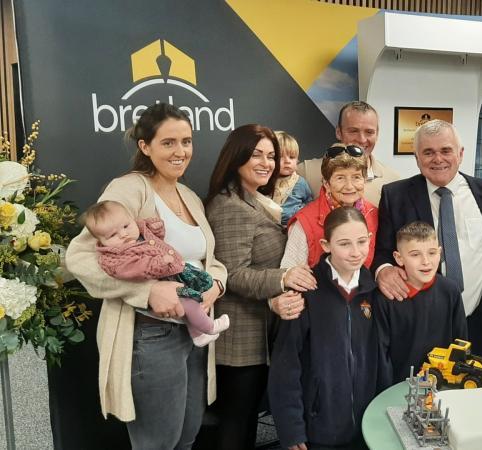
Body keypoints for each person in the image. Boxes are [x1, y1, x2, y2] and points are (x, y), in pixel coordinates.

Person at [64, 103, 227, 449]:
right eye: (168, 142)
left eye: (186, 141)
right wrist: (148, 292)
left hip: (194, 333)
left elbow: (207, 258)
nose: (180, 151)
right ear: (145, 146)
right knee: (157, 444)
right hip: (152, 335)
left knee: (186, 438)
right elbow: (79, 257)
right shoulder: (129, 189)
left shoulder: (189, 196)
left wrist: (216, 283)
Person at [205, 124, 318, 450]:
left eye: (271, 156)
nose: (267, 163)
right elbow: (233, 274)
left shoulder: (255, 199)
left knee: (245, 425)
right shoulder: (230, 205)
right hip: (238, 341)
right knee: (235, 428)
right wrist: (283, 277)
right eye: (257, 155)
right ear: (236, 156)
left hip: (258, 331)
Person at [374, 119, 482, 356]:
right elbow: (382, 251)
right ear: (417, 158)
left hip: (477, 321)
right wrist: (384, 270)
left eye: (445, 150)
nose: (438, 159)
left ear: (460, 154)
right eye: (428, 152)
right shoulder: (395, 196)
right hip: (422, 324)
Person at [269, 206, 387, 450]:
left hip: (366, 426)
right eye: (344, 244)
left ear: (370, 239)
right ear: (325, 245)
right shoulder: (305, 292)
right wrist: (291, 429)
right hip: (319, 429)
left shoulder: (375, 292)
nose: (355, 252)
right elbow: (286, 364)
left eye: (361, 242)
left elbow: (383, 359)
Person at [84, 200, 230, 347]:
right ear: (100, 241)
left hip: (175, 276)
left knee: (191, 303)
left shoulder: (140, 231)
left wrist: (155, 227)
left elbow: (155, 237)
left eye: (126, 226)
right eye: (112, 235)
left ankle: (198, 335)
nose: (123, 234)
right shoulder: (115, 258)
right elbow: (137, 268)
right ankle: (209, 327)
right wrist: (158, 264)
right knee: (189, 303)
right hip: (159, 308)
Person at [375, 221, 468, 384]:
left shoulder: (450, 290)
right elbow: (381, 357)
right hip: (400, 387)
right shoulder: (386, 298)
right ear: (399, 258)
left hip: (444, 384)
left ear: (440, 252)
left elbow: (460, 341)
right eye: (415, 255)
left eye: (432, 253)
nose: (426, 261)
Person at [280, 143, 379, 269]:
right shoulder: (304, 222)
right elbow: (290, 272)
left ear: (364, 180)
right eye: (340, 178)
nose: (349, 186)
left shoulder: (375, 214)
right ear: (326, 183)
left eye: (356, 177)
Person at [297, 100, 401, 205]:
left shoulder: (392, 181)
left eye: (369, 132)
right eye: (353, 131)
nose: (362, 139)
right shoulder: (305, 172)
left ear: (377, 134)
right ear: (338, 132)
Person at [273, 130, 313, 227]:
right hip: (271, 224)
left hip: (295, 224)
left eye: (292, 157)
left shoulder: (300, 182)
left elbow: (309, 203)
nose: (287, 161)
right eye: (281, 157)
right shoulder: (266, 181)